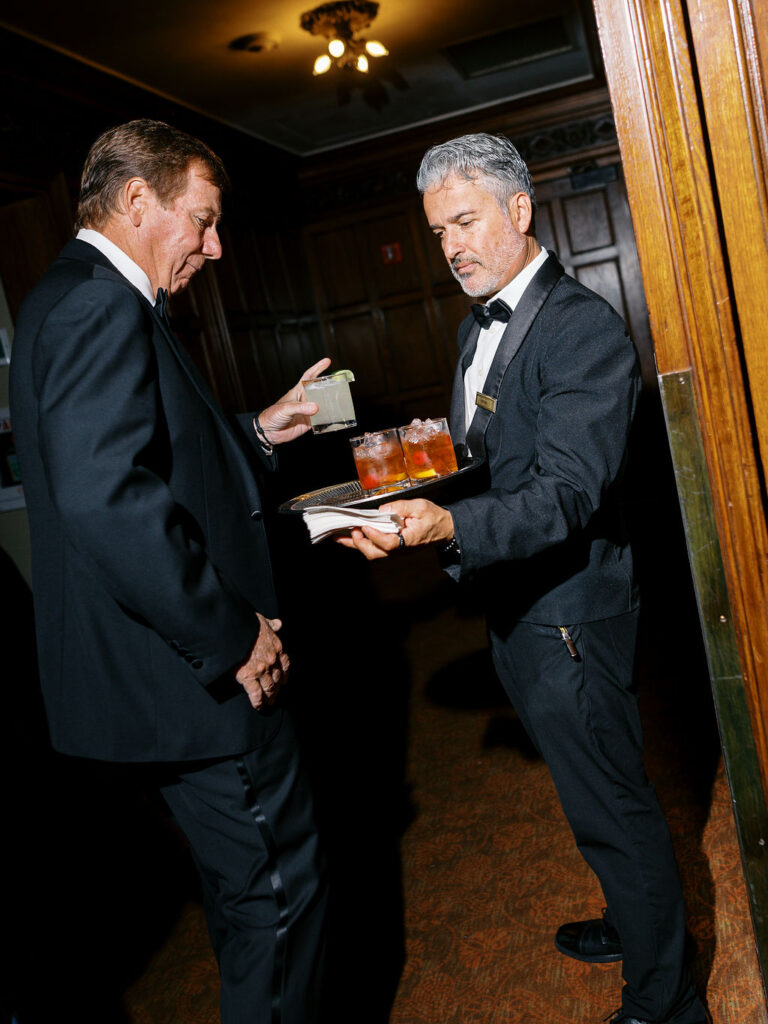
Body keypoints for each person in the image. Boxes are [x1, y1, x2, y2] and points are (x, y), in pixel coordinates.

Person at [338, 133, 708, 1024]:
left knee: (613, 807)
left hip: (571, 608)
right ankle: (634, 922)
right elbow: (501, 452)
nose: (451, 246)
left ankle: (669, 1000)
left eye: (464, 221)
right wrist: (435, 471)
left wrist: (447, 523)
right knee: (588, 794)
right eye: (436, 232)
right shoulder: (479, 322)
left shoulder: (580, 327)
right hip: (520, 604)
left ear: (518, 209)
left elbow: (569, 491)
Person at [10, 119, 329, 1024]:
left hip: (161, 680)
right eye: (204, 220)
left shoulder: (75, 295)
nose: (215, 247)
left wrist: (258, 431)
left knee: (248, 905)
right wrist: (236, 637)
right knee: (275, 903)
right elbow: (109, 500)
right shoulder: (96, 303)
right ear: (138, 199)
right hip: (196, 683)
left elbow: (149, 462)